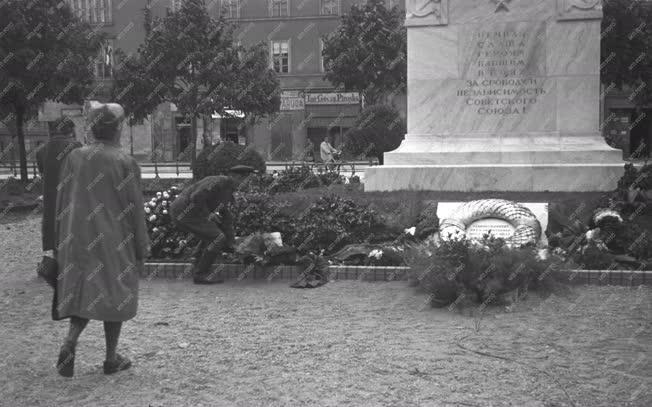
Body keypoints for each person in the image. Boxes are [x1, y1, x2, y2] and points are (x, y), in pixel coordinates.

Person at [53, 102, 150, 377]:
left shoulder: (75, 157)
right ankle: (110, 358)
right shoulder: (124, 162)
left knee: (84, 292)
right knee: (115, 295)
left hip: (77, 238)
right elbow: (134, 209)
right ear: (117, 130)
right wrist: (142, 247)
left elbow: (62, 199)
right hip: (113, 240)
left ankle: (70, 341)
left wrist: (58, 240)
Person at [170, 165, 255, 284]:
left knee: (213, 234)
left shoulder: (228, 188)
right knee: (217, 237)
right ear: (236, 177)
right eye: (247, 180)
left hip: (193, 212)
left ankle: (197, 260)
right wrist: (208, 214)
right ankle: (200, 274)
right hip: (184, 212)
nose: (248, 184)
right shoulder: (216, 182)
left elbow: (226, 216)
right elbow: (196, 196)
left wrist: (231, 243)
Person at [35, 117, 82, 266]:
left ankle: (58, 264)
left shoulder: (41, 151)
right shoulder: (76, 147)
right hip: (73, 198)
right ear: (70, 130)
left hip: (52, 200)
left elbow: (43, 173)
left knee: (55, 233)